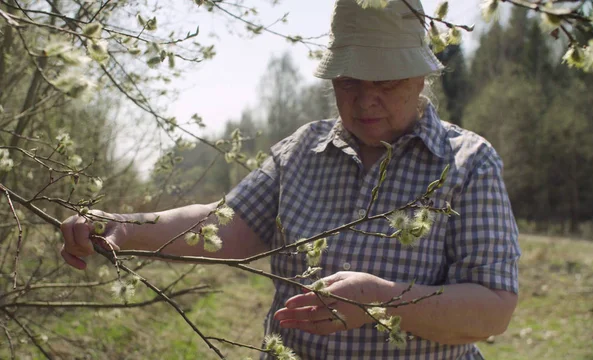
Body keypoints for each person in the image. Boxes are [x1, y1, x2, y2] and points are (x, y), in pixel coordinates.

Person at [60, 0, 520, 359]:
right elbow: (222, 225)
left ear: (421, 77)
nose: (366, 101)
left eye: (386, 84)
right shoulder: (303, 151)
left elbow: (492, 308)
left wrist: (382, 300)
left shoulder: (467, 164)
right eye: (349, 83)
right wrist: (121, 226)